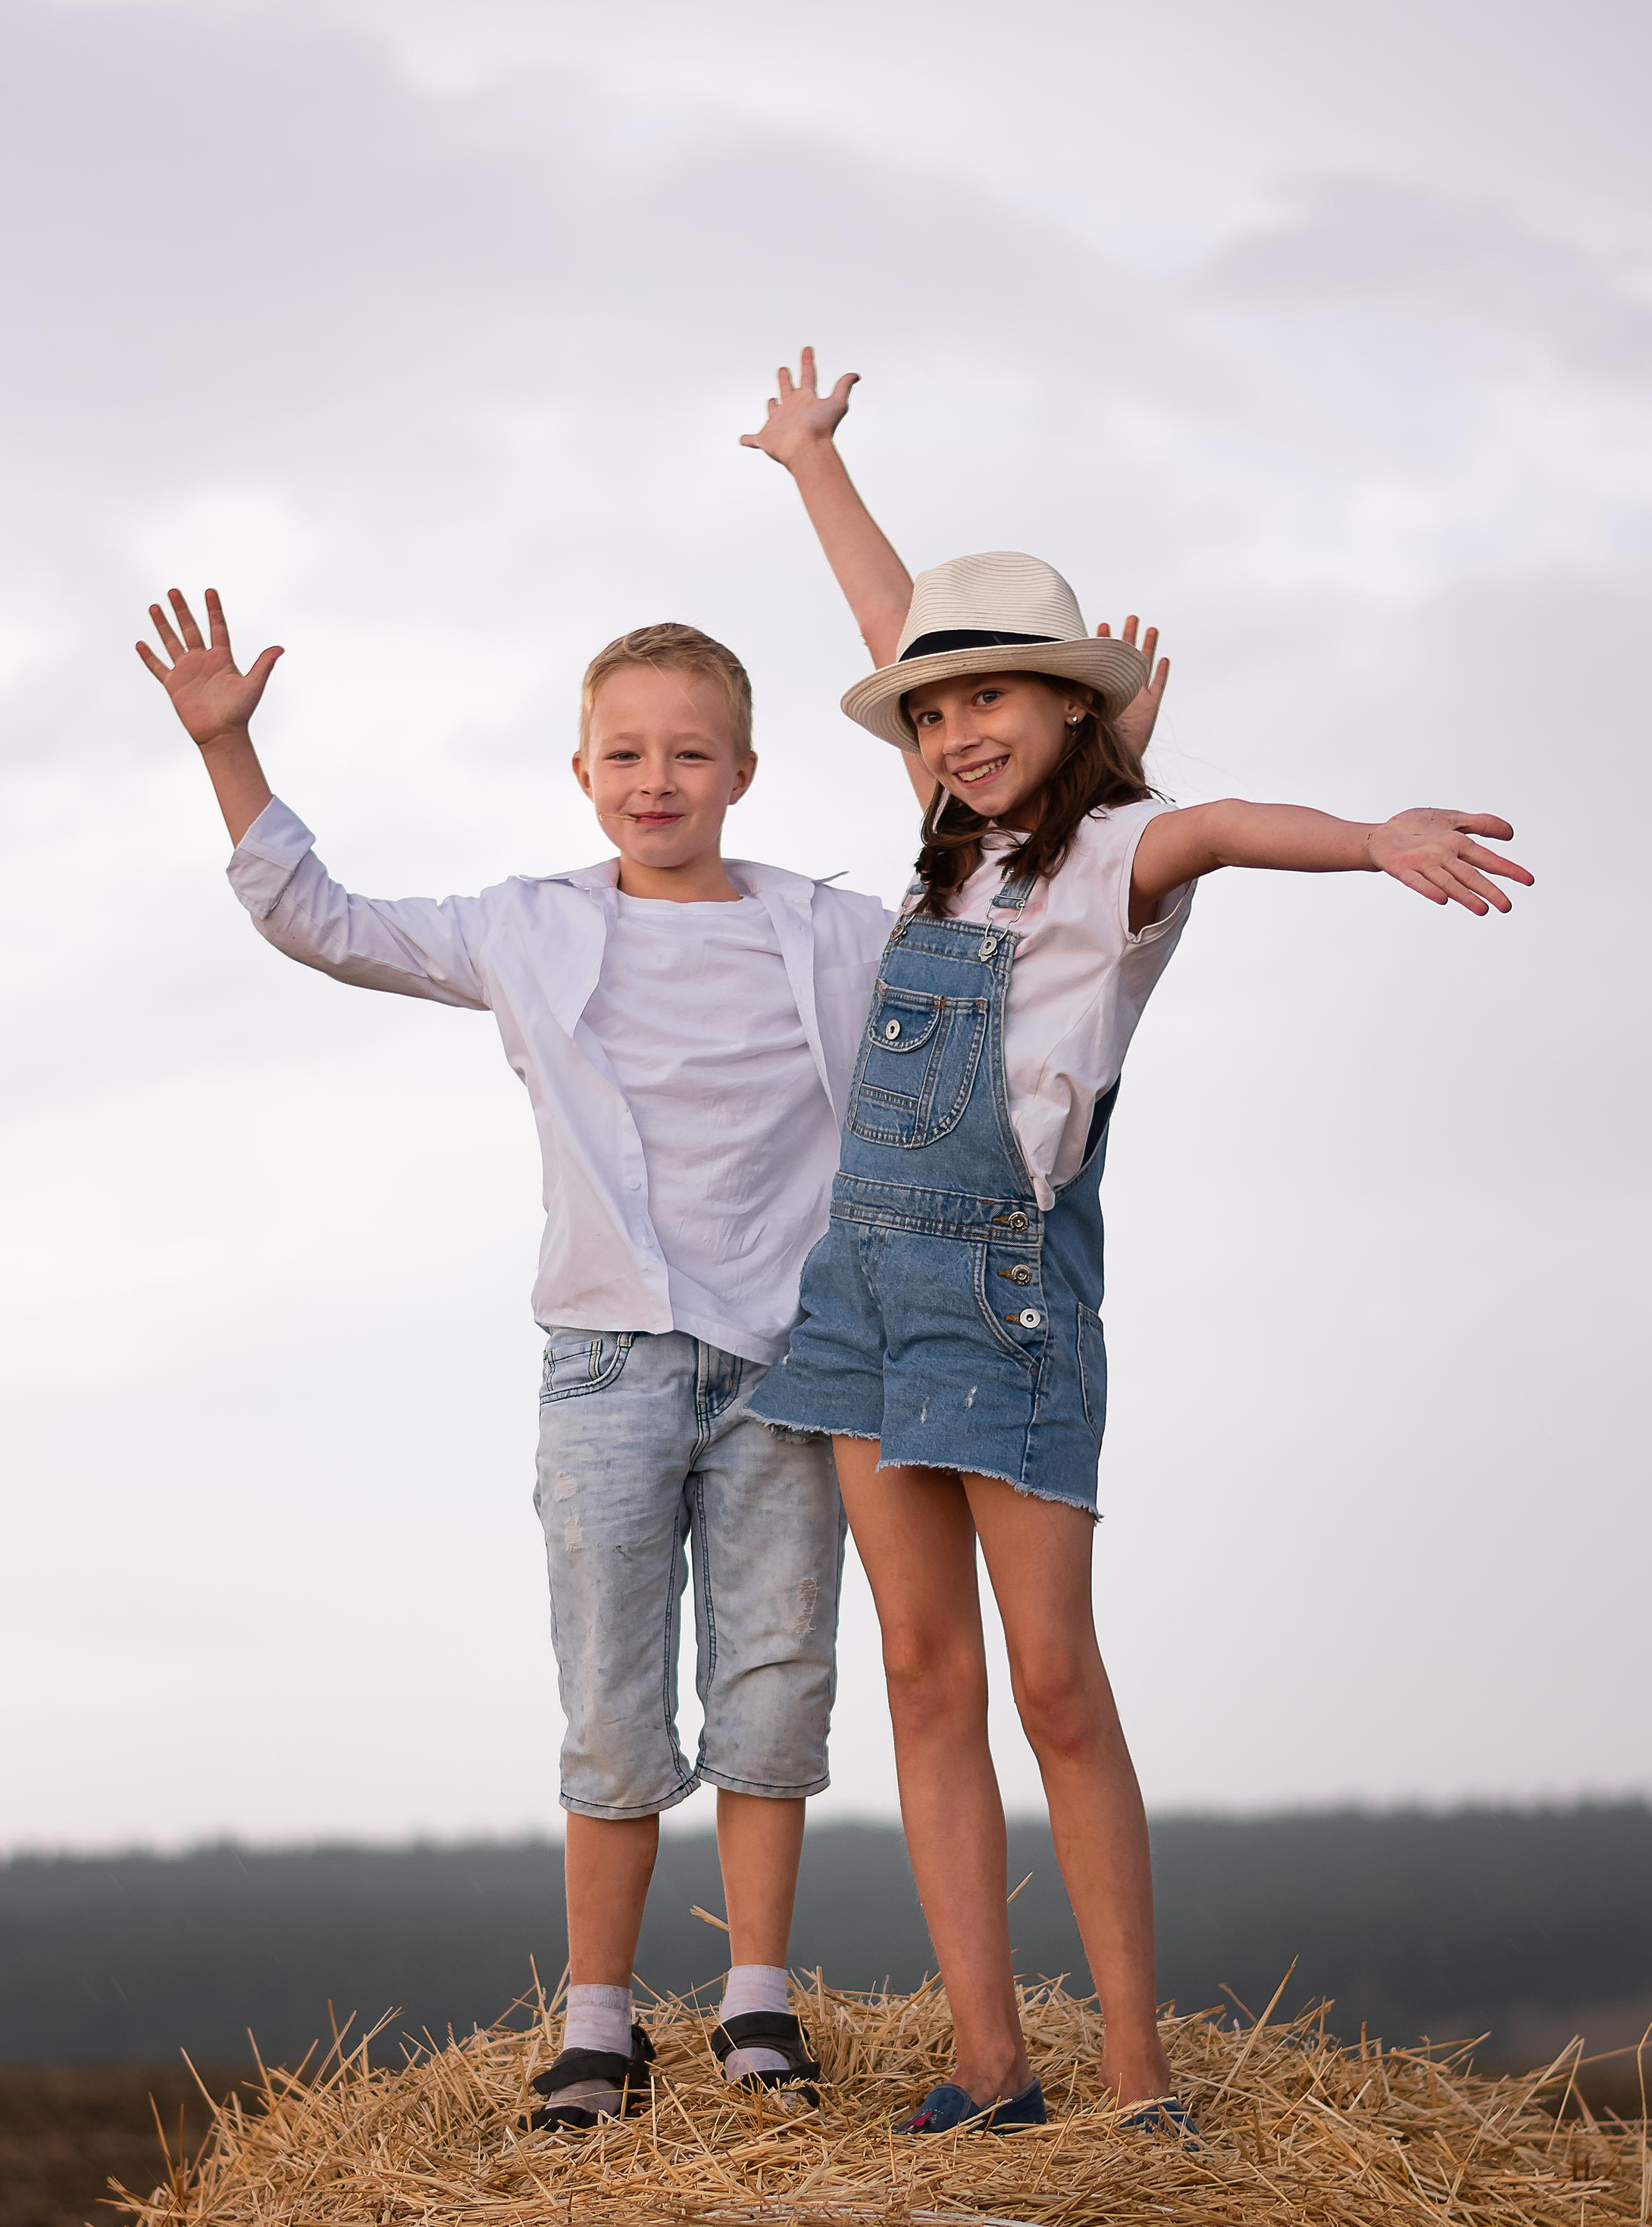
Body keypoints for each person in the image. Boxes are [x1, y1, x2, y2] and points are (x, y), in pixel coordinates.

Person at [741, 352, 1534, 2135]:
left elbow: (1232, 827)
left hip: (1002, 1300)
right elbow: (890, 626)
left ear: (1071, 705)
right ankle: (988, 2067)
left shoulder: (1117, 859)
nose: (955, 732)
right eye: (930, 715)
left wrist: (1371, 838)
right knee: (922, 1678)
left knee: (1051, 1683)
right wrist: (809, 464)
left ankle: (1132, 2078)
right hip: (858, 1299)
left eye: (991, 698)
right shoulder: (940, 849)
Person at [136, 590, 896, 2126]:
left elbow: (1002, 957)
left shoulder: (837, 936)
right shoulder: (529, 926)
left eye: (691, 753)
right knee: (611, 1705)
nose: (657, 779)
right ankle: (598, 2023)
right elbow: (322, 921)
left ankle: (756, 2006)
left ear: (745, 773)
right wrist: (229, 749)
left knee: (773, 1693)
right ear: (582, 773)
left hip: (788, 1365)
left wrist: (1113, 805)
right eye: (626, 753)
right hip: (609, 1369)